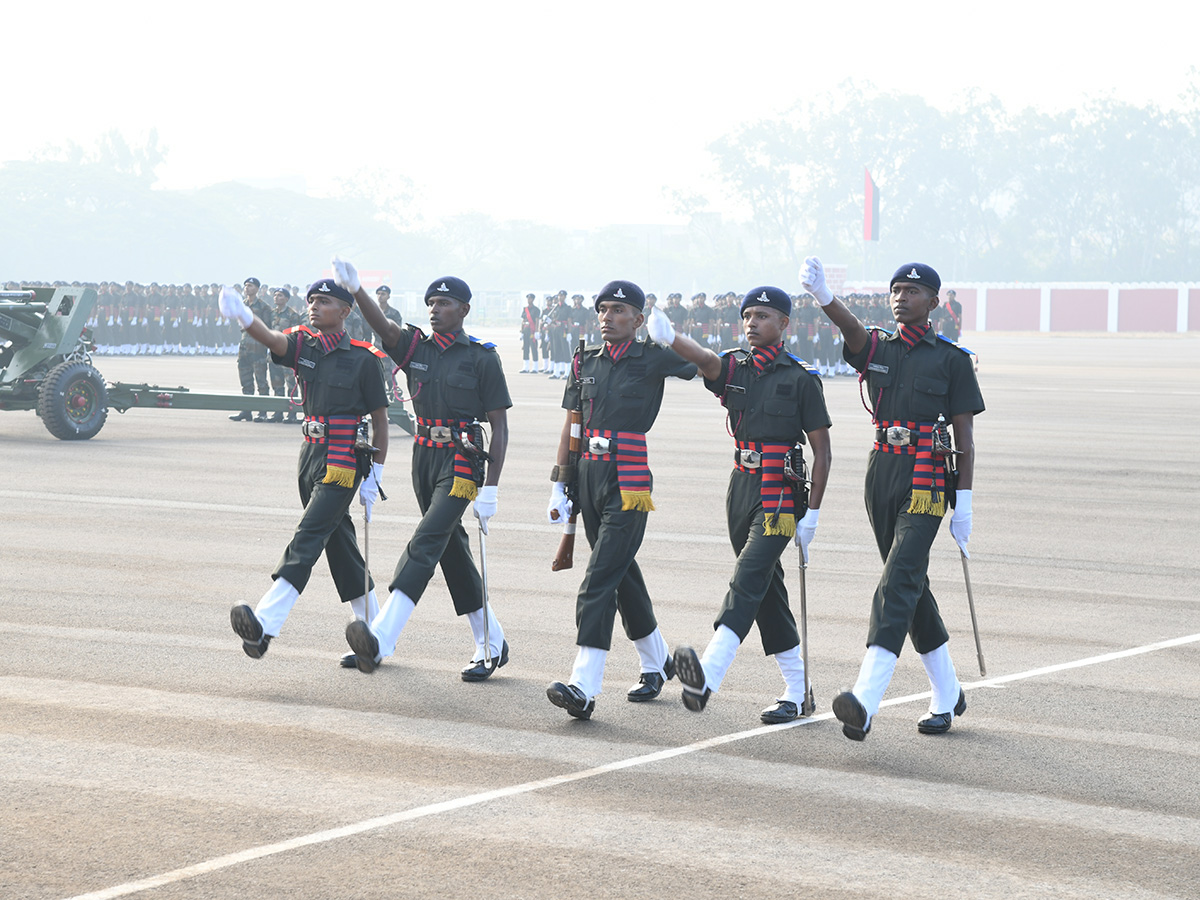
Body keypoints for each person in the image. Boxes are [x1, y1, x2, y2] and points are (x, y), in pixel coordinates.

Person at [801, 257, 984, 740]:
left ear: (934, 302)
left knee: (898, 577)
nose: (900, 297)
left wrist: (962, 502)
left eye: (911, 291)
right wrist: (824, 297)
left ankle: (866, 697)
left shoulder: (952, 359)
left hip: (927, 477)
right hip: (882, 471)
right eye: (895, 290)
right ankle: (947, 691)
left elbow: (964, 435)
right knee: (909, 582)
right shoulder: (877, 347)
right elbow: (852, 328)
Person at [644, 287, 832, 723]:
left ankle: (707, 676)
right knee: (766, 592)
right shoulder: (736, 367)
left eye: (763, 316)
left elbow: (822, 450)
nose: (751, 323)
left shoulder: (801, 378)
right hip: (742, 485)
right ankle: (798, 690)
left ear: (784, 324)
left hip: (781, 492)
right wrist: (672, 337)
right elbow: (706, 360)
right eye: (747, 315)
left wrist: (814, 514)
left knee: (747, 577)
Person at [331, 258, 513, 682]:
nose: (434, 309)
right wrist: (358, 289)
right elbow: (384, 328)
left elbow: (500, 426)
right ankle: (491, 642)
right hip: (424, 459)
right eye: (430, 302)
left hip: (464, 460)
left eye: (444, 303)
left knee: (426, 539)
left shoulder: (482, 359)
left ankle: (381, 637)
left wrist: (492, 488)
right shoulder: (417, 348)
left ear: (464, 310)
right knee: (450, 550)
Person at [545, 280, 698, 720]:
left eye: (617, 310)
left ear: (638, 318)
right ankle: (659, 663)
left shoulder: (653, 356)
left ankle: (584, 686)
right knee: (620, 574)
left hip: (629, 480)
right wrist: (561, 482)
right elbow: (573, 424)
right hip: (589, 476)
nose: (607, 317)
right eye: (603, 309)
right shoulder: (584, 361)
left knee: (598, 579)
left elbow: (706, 366)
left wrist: (675, 340)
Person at [222, 276, 390, 661]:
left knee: (309, 536)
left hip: (343, 461)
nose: (313, 305)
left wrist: (376, 474)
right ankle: (375, 637)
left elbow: (380, 420)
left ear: (345, 312)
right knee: (340, 544)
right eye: (312, 299)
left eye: (324, 301)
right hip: (310, 455)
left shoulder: (364, 358)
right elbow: (271, 338)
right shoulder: (303, 344)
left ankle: (264, 623)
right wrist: (245, 317)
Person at [230, 277, 274, 422]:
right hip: (244, 347)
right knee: (245, 380)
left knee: (261, 381)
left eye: (250, 286)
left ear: (257, 289)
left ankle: (262, 412)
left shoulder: (264, 307)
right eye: (245, 286)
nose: (247, 288)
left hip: (258, 348)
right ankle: (246, 410)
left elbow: (268, 328)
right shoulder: (242, 305)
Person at [268, 288, 303, 422]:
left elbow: (295, 336)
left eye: (280, 295)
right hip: (273, 355)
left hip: (287, 355)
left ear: (286, 299)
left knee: (291, 385)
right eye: (275, 295)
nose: (276, 298)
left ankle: (292, 413)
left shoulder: (292, 315)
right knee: (277, 385)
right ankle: (278, 413)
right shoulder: (271, 313)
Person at [519, 292, 542, 373]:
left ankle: (535, 367)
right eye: (528, 298)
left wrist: (536, 331)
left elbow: (537, 321)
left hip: (532, 331)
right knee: (525, 348)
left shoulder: (536, 310)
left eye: (531, 298)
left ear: (533, 299)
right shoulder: (525, 309)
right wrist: (521, 331)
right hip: (526, 330)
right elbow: (523, 320)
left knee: (533, 348)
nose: (529, 300)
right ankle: (526, 367)